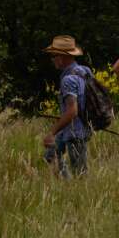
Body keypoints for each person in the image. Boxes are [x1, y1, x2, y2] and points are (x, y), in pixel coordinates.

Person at [42, 35, 93, 178]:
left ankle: (72, 187)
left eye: (54, 55)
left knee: (80, 173)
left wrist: (52, 132)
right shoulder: (84, 71)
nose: (52, 59)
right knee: (51, 155)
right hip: (75, 129)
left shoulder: (68, 80)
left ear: (62, 57)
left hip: (75, 132)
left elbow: (72, 111)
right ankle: (66, 183)